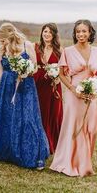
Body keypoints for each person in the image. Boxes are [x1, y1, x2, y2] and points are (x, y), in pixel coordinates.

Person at [0, 22, 49, 169]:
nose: (1, 43)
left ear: (10, 36)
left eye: (3, 40)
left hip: (26, 86)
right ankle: (9, 152)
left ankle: (31, 154)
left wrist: (25, 71)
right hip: (7, 86)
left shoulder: (27, 46)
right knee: (8, 118)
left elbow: (35, 67)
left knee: (28, 118)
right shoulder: (1, 50)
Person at [50, 20, 97, 177]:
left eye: (84, 31)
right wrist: (72, 89)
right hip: (74, 93)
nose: (81, 34)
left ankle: (84, 163)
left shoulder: (96, 51)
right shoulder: (68, 51)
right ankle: (70, 163)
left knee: (90, 127)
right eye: (78, 31)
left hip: (93, 95)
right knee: (74, 126)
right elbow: (62, 74)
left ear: (90, 33)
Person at [33, 23, 63, 154]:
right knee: (39, 111)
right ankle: (38, 141)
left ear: (54, 35)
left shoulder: (60, 50)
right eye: (45, 31)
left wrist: (58, 77)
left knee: (52, 113)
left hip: (53, 85)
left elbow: (64, 70)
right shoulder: (35, 47)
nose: (47, 34)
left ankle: (51, 142)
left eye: (50, 32)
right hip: (38, 83)